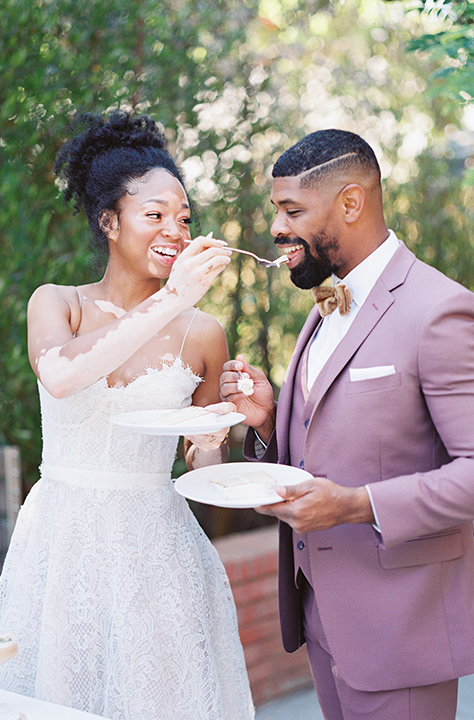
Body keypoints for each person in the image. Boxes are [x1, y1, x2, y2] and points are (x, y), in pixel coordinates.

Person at [0, 111, 254, 720]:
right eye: (155, 214)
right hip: (60, 543)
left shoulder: (204, 333)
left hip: (157, 548)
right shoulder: (57, 304)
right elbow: (60, 375)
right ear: (110, 222)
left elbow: (203, 463)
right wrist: (171, 299)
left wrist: (216, 435)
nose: (175, 230)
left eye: (184, 218)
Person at [220, 128, 474, 720]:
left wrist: (356, 505)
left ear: (351, 203)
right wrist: (267, 423)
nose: (278, 229)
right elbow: (324, 446)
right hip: (322, 617)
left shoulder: (439, 310)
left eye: (292, 211)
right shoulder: (323, 311)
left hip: (400, 632)